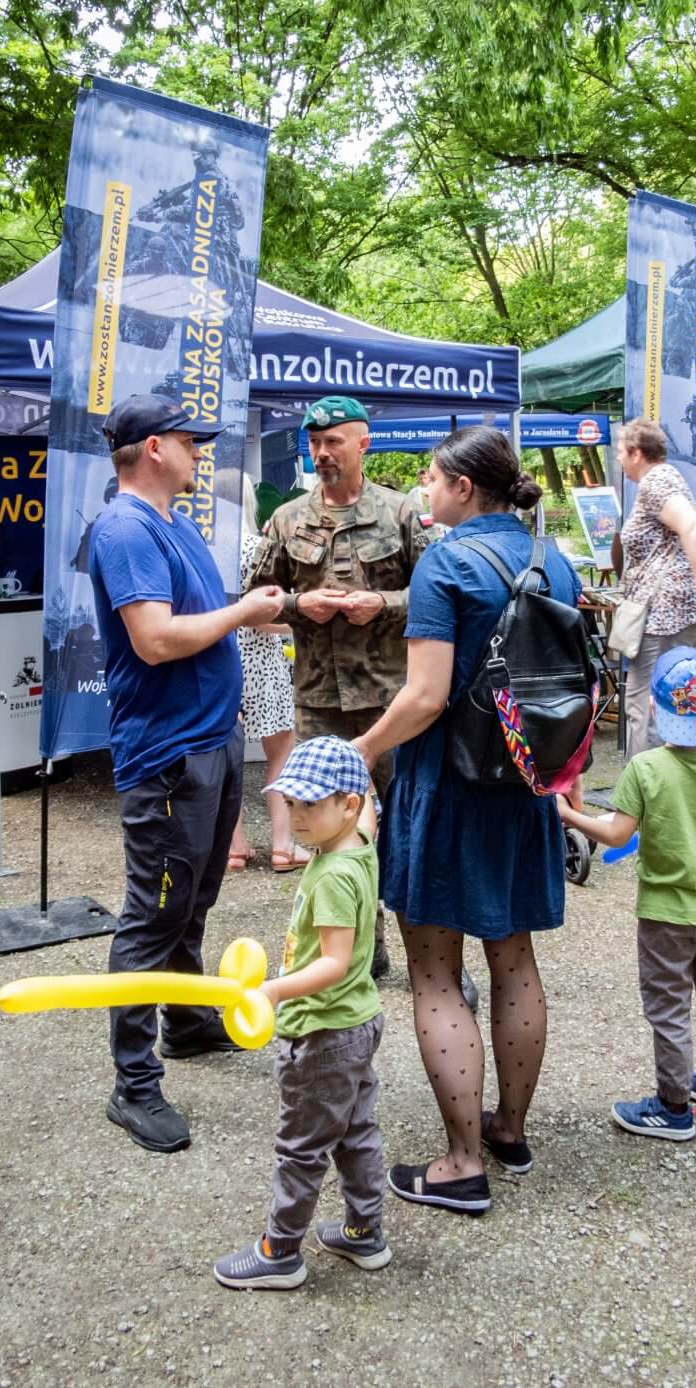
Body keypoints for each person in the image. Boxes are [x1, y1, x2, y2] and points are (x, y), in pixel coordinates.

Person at [352, 427, 581, 1213]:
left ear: (461, 487)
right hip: (524, 782)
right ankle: (509, 1132)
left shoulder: (444, 563)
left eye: (431, 474)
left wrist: (360, 750)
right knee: (513, 959)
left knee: (435, 973)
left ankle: (461, 1163)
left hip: (448, 789)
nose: (422, 483)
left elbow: (422, 697)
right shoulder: (555, 560)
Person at [89, 393, 284, 1154]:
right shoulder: (125, 527)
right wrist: (240, 616)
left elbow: (206, 618)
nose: (198, 451)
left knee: (194, 894)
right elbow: (157, 640)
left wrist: (264, 610)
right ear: (151, 449)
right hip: (167, 755)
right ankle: (132, 1083)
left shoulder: (175, 526)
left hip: (208, 742)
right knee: (153, 910)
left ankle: (187, 1020)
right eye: (187, 440)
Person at [247, 395, 431, 978]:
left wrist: (384, 602)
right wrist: (303, 604)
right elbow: (257, 605)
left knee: (405, 825)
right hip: (321, 704)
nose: (323, 453)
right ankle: (353, 951)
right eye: (315, 443)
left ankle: (431, 961)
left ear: (363, 443)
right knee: (331, 831)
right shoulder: (287, 520)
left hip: (392, 702)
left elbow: (436, 597)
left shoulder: (402, 514)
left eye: (334, 442)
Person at [563, 649, 696, 1141]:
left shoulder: (646, 768)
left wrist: (567, 815)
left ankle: (674, 1106)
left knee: (670, 1007)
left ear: (654, 709)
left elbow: (614, 835)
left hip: (664, 914)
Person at [213, 738, 388, 1290]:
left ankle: (280, 1251)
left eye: (310, 805)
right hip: (356, 1024)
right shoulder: (357, 841)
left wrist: (272, 992)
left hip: (323, 1031)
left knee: (301, 1146)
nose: (296, 816)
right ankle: (365, 1232)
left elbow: (334, 963)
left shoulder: (335, 874)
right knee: (355, 1131)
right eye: (290, 803)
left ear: (350, 806)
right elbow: (371, 818)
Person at [611, 419, 696, 756]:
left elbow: (693, 528)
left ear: (637, 453)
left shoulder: (657, 481)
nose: (618, 460)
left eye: (621, 453)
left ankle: (640, 799)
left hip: (666, 615)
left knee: (646, 704)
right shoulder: (667, 479)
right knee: (685, 695)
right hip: (676, 613)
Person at [224, 475, 306, 873]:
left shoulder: (204, 550)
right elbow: (269, 617)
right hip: (262, 663)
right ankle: (282, 846)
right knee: (281, 753)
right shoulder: (258, 550)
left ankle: (234, 847)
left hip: (217, 660)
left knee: (226, 757)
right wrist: (300, 625)